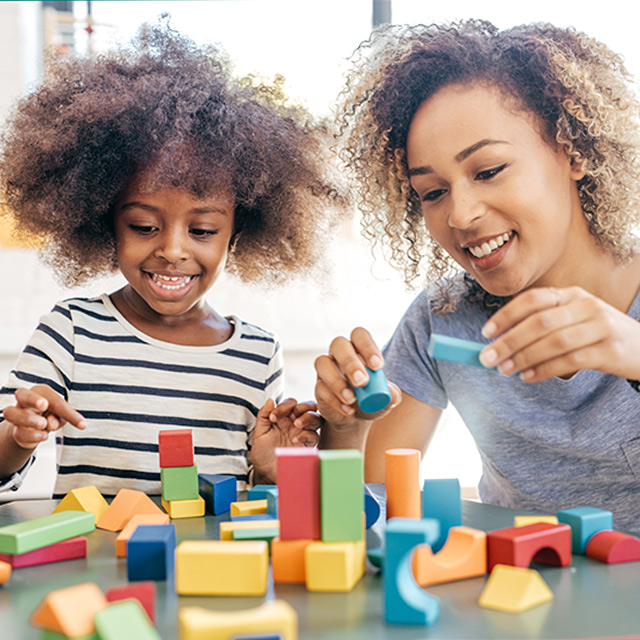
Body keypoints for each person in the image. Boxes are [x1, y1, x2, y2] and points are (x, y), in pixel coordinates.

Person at [316, 20, 640, 530]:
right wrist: (343, 430)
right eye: (433, 192)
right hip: (521, 601)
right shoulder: (443, 320)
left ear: (574, 152)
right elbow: (366, 512)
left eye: (488, 171)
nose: (460, 216)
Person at [0, 22, 341, 497]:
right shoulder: (72, 331)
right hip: (100, 572)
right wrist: (19, 434)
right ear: (105, 222)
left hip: (209, 571)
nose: (174, 250)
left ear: (236, 234)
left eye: (201, 230)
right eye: (144, 226)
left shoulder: (256, 356)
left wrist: (267, 471)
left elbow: (248, 502)